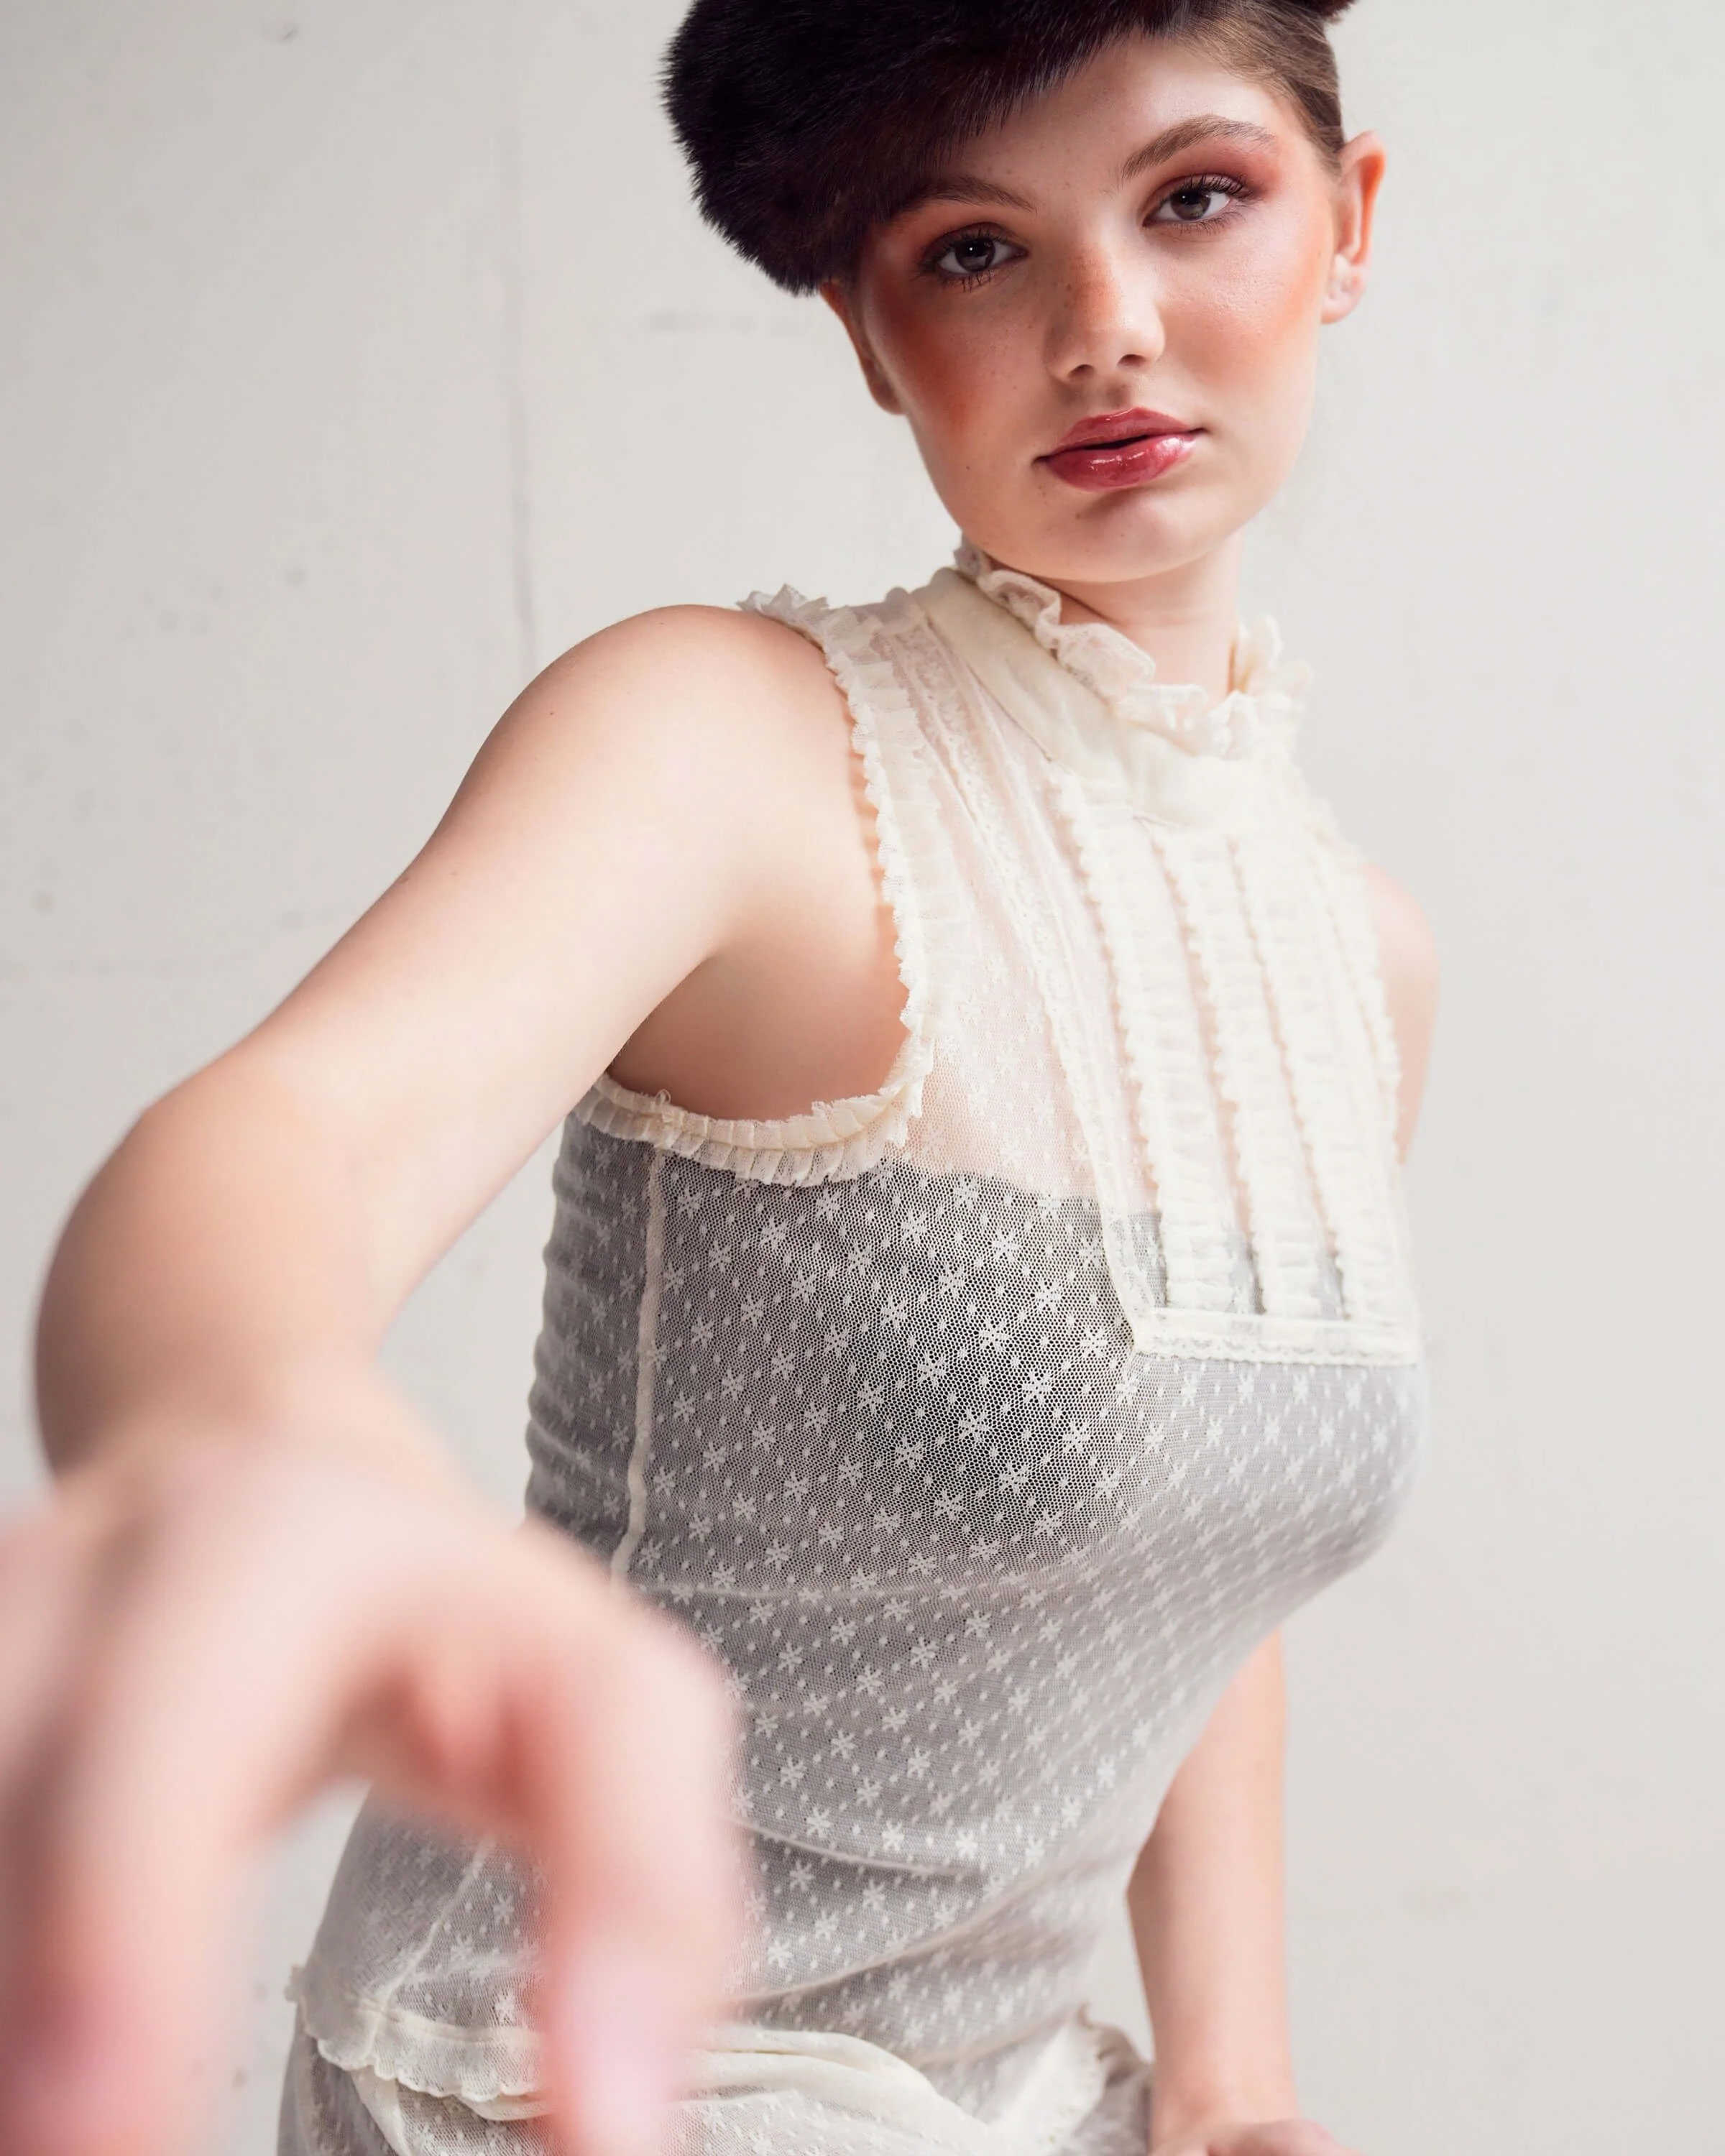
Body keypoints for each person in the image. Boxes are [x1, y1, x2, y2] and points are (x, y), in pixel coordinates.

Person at [1, 1, 1440, 2153]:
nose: (1107, 330)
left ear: (1348, 223)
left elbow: (1193, 1567)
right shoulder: (736, 748)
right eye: (973, 250)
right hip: (602, 2078)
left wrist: (1232, 2091)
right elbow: (291, 1137)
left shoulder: (1359, 959)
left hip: (1022, 2099)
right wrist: (250, 1441)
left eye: (1199, 198)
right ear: (866, 331)